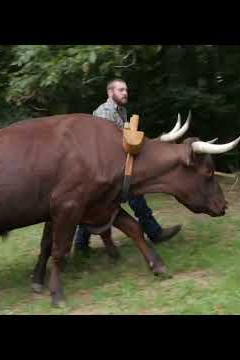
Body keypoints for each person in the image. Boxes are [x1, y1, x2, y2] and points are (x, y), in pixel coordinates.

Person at [74, 79, 182, 256]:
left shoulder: (121, 110)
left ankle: (154, 232)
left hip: (118, 163)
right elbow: (104, 144)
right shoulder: (104, 112)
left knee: (123, 198)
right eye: (121, 90)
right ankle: (81, 243)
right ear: (110, 93)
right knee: (94, 203)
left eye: (126, 90)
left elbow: (125, 139)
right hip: (103, 168)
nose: (125, 93)